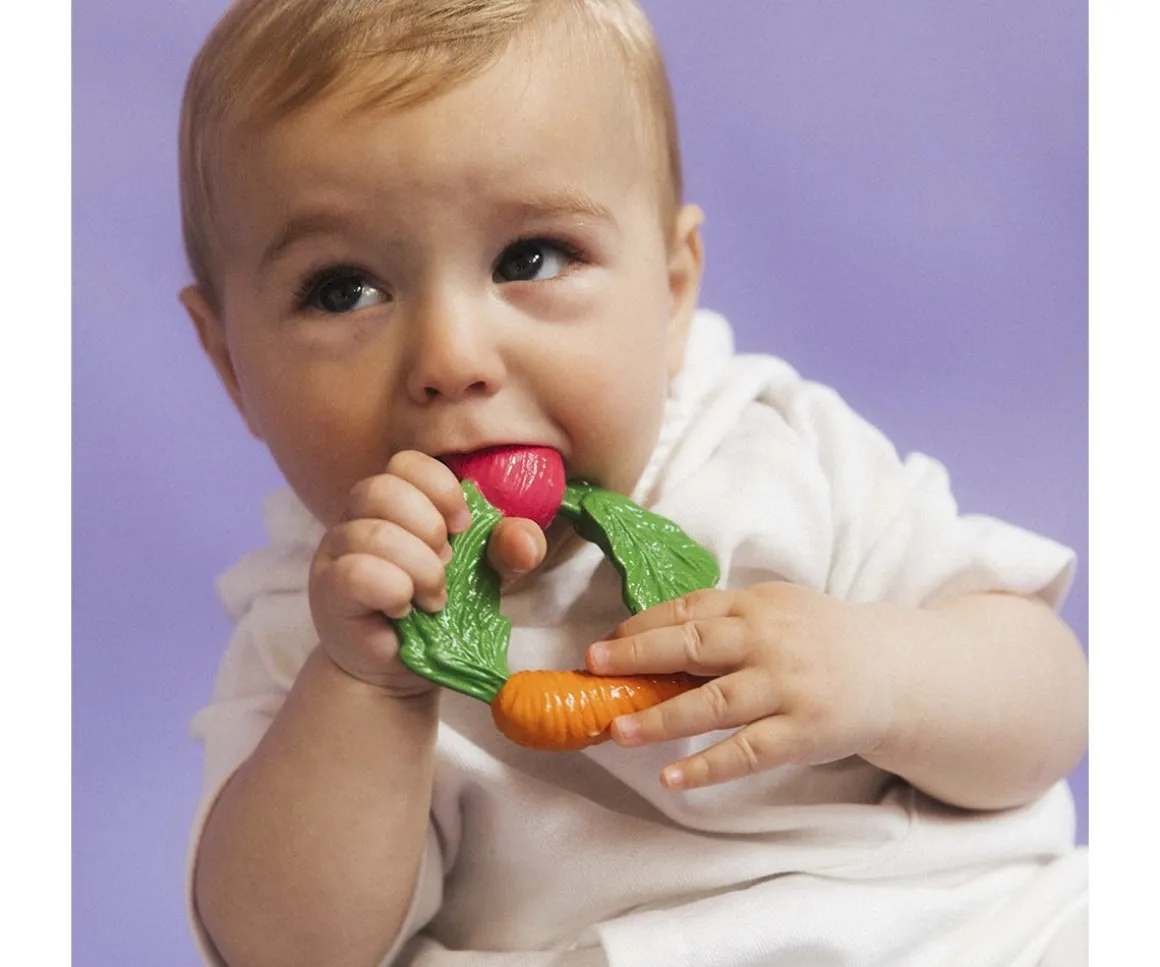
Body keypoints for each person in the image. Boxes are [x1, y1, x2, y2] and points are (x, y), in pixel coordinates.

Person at [177, 1, 1089, 965]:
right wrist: (365, 689)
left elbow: (1046, 708)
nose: (452, 357)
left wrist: (882, 674)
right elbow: (285, 950)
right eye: (343, 289)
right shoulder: (320, 623)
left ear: (672, 291)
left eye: (530, 258)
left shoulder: (771, 449)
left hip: (950, 930)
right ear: (232, 365)